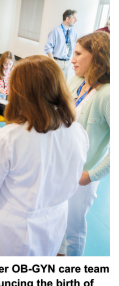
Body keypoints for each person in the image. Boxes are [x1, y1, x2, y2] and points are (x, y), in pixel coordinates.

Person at [0, 55, 89, 256]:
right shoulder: (77, 132)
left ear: (20, 93)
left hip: (9, 232)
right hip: (52, 226)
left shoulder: (7, 138)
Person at [59, 32, 110, 256]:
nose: (72, 59)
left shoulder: (107, 94)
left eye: (79, 54)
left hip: (83, 175)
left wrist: (91, 175)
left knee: (73, 229)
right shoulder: (77, 81)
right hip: (62, 168)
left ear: (97, 57)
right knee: (57, 222)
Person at [45, 9, 78, 82]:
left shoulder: (73, 31)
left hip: (68, 62)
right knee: (54, 82)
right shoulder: (55, 31)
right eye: (74, 18)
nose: (76, 20)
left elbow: (75, 45)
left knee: (64, 83)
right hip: (57, 61)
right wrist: (53, 61)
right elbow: (48, 47)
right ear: (67, 19)